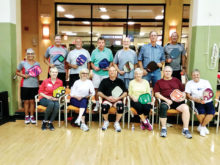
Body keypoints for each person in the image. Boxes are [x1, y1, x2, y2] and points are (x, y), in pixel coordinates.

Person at [154, 66, 192, 139]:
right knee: (163, 107)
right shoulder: (159, 82)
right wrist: (166, 100)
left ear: (171, 72)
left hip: (177, 101)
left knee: (186, 108)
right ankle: (164, 128)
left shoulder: (176, 80)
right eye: (166, 71)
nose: (167, 73)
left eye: (169, 71)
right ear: (163, 72)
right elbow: (156, 94)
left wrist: (183, 97)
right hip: (166, 101)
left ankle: (185, 129)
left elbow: (183, 91)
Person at [185, 69, 215, 137]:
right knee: (201, 112)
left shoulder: (206, 82)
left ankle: (202, 126)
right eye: (194, 75)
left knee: (211, 112)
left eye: (197, 75)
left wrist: (204, 98)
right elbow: (188, 95)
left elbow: (210, 91)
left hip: (207, 101)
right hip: (196, 101)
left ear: (199, 75)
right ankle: (203, 128)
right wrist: (195, 99)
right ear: (192, 76)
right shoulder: (189, 83)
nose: (196, 76)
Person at [98, 66, 127, 132]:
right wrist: (107, 97)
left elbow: (125, 93)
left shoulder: (120, 81)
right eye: (110, 71)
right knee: (104, 107)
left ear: (116, 72)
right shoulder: (104, 81)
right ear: (108, 72)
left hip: (117, 100)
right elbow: (99, 92)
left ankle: (116, 123)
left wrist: (118, 98)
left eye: (114, 71)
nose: (112, 72)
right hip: (107, 100)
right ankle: (106, 121)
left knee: (120, 107)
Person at [16, 48, 40, 124]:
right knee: (26, 101)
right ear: (26, 55)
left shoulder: (37, 64)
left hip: (34, 85)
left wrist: (38, 84)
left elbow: (38, 75)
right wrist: (23, 75)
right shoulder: (22, 63)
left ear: (34, 55)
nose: (30, 55)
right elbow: (17, 72)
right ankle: (26, 116)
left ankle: (32, 116)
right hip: (25, 85)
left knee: (32, 101)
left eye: (31, 53)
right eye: (28, 53)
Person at [91, 37, 113, 111]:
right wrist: (94, 67)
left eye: (102, 42)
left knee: (105, 89)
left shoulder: (109, 51)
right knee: (96, 89)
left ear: (104, 43)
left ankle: (104, 104)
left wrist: (108, 68)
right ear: (97, 43)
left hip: (106, 73)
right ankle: (97, 105)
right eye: (99, 42)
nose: (101, 44)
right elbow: (91, 63)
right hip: (96, 73)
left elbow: (111, 62)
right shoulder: (94, 52)